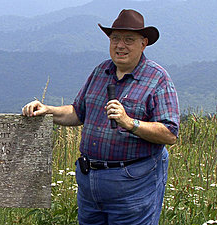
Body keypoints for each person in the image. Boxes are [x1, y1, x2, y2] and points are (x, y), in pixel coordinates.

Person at [22, 9, 180, 225]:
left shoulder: (157, 79)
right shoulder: (101, 71)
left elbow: (170, 133)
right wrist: (48, 110)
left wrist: (129, 122)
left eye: (128, 40)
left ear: (143, 43)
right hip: (90, 186)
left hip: (133, 187)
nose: (120, 45)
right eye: (115, 38)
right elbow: (78, 112)